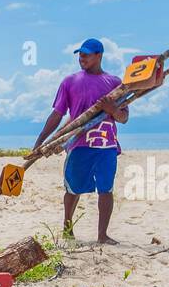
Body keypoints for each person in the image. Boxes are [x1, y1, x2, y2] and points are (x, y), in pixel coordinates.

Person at [31, 38, 129, 244]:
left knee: (106, 189)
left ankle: (102, 235)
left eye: (86, 53)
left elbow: (124, 117)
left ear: (99, 55)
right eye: (80, 54)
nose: (81, 57)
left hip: (106, 145)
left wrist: (111, 110)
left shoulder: (115, 83)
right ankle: (68, 230)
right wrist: (41, 140)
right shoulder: (70, 81)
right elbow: (57, 114)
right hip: (78, 143)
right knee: (73, 189)